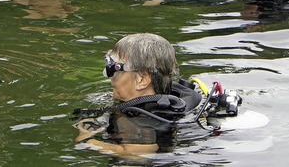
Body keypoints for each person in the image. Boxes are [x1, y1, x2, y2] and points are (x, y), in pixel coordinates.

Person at [74, 33, 210, 157]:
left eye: (114, 68)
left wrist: (86, 140)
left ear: (142, 80)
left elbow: (136, 156)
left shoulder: (142, 120)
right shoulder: (164, 105)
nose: (110, 76)